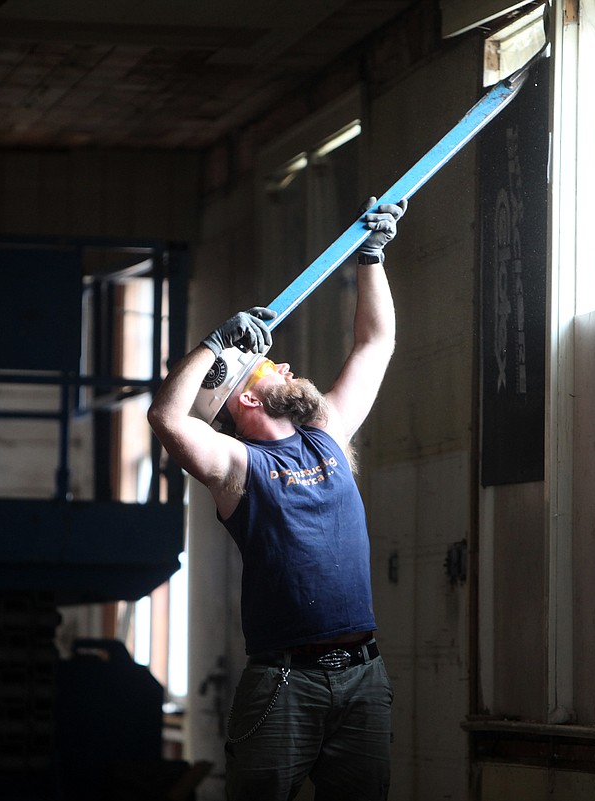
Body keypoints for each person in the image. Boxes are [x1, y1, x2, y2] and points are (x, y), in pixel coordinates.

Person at [147, 197, 407, 801]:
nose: (285, 365)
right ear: (246, 401)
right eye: (268, 367)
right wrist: (217, 347)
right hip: (285, 683)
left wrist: (371, 257)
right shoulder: (240, 467)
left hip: (364, 676)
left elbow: (377, 342)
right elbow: (167, 417)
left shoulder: (330, 434)